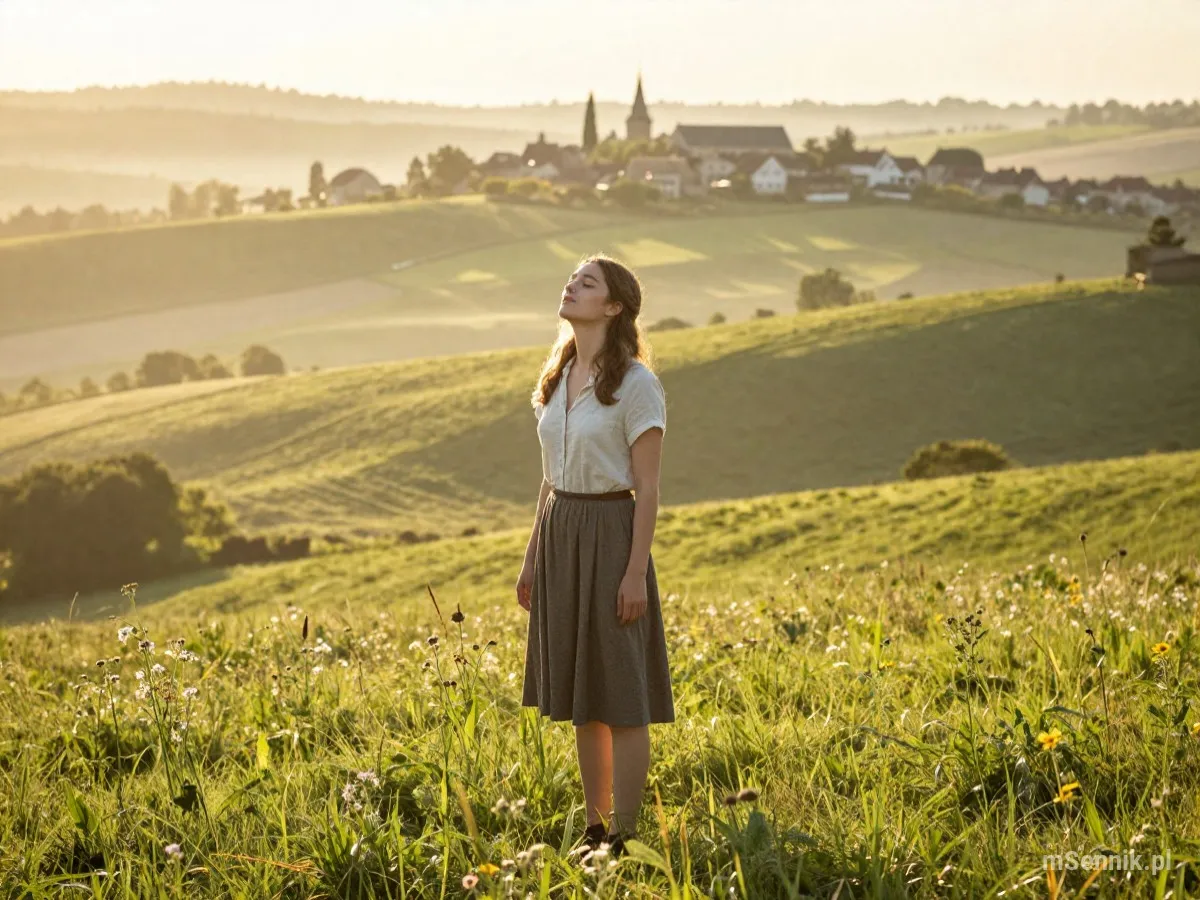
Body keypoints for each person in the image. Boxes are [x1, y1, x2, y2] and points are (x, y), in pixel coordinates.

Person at [517, 253, 674, 862]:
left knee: (622, 695)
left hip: (612, 533)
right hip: (562, 531)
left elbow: (650, 487)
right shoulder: (557, 377)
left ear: (613, 307)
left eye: (587, 283)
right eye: (571, 279)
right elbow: (549, 479)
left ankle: (626, 837)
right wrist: (533, 558)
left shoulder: (637, 384)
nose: (571, 286)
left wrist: (635, 570)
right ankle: (595, 829)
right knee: (586, 694)